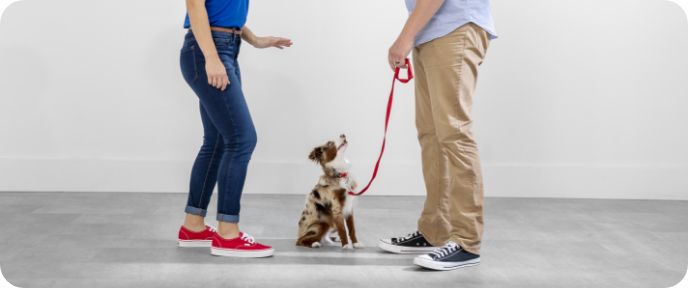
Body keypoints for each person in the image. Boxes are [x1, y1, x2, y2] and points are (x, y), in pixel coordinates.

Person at [378, 0, 497, 271]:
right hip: (432, 32)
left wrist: (404, 38)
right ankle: (435, 230)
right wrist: (413, 35)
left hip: (455, 28)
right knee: (432, 136)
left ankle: (467, 242)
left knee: (454, 135)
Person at [177, 0, 292, 258]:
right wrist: (211, 58)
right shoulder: (209, 53)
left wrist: (255, 39)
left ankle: (193, 227)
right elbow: (195, 5)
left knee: (217, 141)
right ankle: (228, 234)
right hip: (208, 50)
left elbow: (224, 11)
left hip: (226, 47)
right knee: (242, 139)